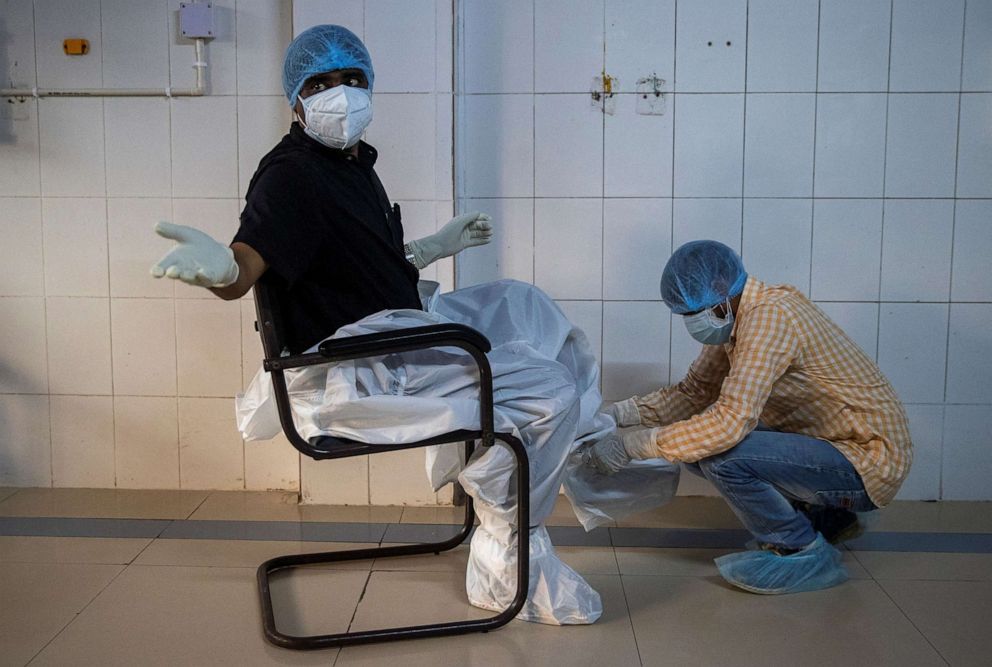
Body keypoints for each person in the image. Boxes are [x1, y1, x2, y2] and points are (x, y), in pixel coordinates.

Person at [152, 24, 607, 625]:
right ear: (295, 98)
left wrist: (427, 248)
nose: (340, 93)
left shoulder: (350, 163)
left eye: (353, 79)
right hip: (358, 364)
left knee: (523, 305)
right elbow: (244, 268)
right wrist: (221, 269)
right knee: (550, 392)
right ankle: (507, 534)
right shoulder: (292, 175)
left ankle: (558, 447)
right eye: (320, 82)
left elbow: (357, 261)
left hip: (388, 329)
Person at [584, 240, 913, 595]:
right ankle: (828, 517)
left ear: (722, 292)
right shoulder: (734, 316)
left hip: (866, 460)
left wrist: (635, 445)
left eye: (691, 313)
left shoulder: (770, 319)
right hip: (831, 445)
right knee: (700, 447)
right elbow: (694, 392)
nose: (691, 322)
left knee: (720, 454)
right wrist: (619, 414)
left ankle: (798, 547)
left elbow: (728, 424)